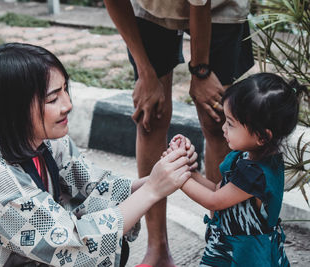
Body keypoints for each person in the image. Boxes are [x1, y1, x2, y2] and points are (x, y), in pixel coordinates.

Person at [0, 43, 195, 267]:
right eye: (53, 99)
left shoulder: (47, 140)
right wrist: (154, 189)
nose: (68, 105)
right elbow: (72, 246)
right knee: (92, 242)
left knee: (103, 220)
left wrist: (166, 173)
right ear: (15, 108)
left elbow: (99, 187)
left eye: (65, 91)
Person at [103, 0, 253, 265]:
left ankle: (223, 246)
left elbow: (200, 5)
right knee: (151, 117)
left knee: (218, 120)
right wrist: (145, 73)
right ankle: (157, 249)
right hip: (151, 11)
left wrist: (201, 72)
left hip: (219, 7)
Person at [166, 73, 304, 266]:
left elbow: (214, 201)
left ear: (262, 137)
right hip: (231, 247)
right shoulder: (245, 157)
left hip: (244, 256)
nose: (223, 128)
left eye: (230, 124)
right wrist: (189, 171)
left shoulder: (255, 174)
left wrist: (178, 178)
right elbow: (218, 190)